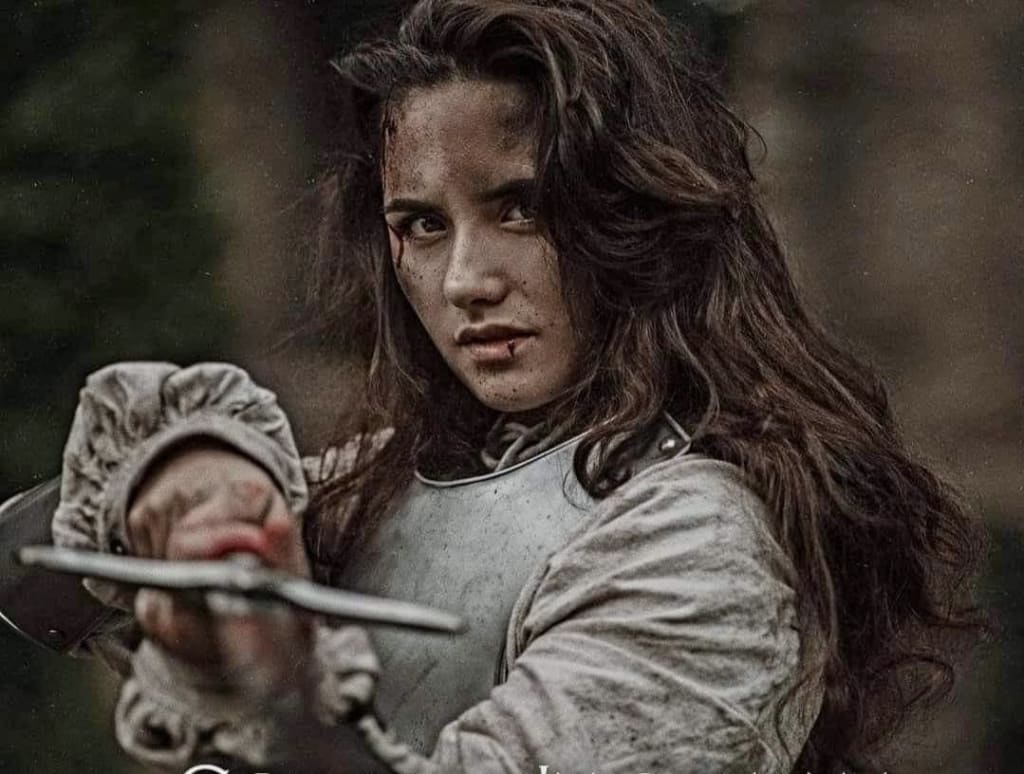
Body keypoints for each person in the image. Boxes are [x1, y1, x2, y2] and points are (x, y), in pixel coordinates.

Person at [0, 1, 985, 772]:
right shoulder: (402, 480)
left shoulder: (702, 548)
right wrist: (190, 473)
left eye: (521, 208)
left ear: (636, 216)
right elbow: (26, 573)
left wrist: (277, 690)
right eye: (423, 226)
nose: (467, 281)